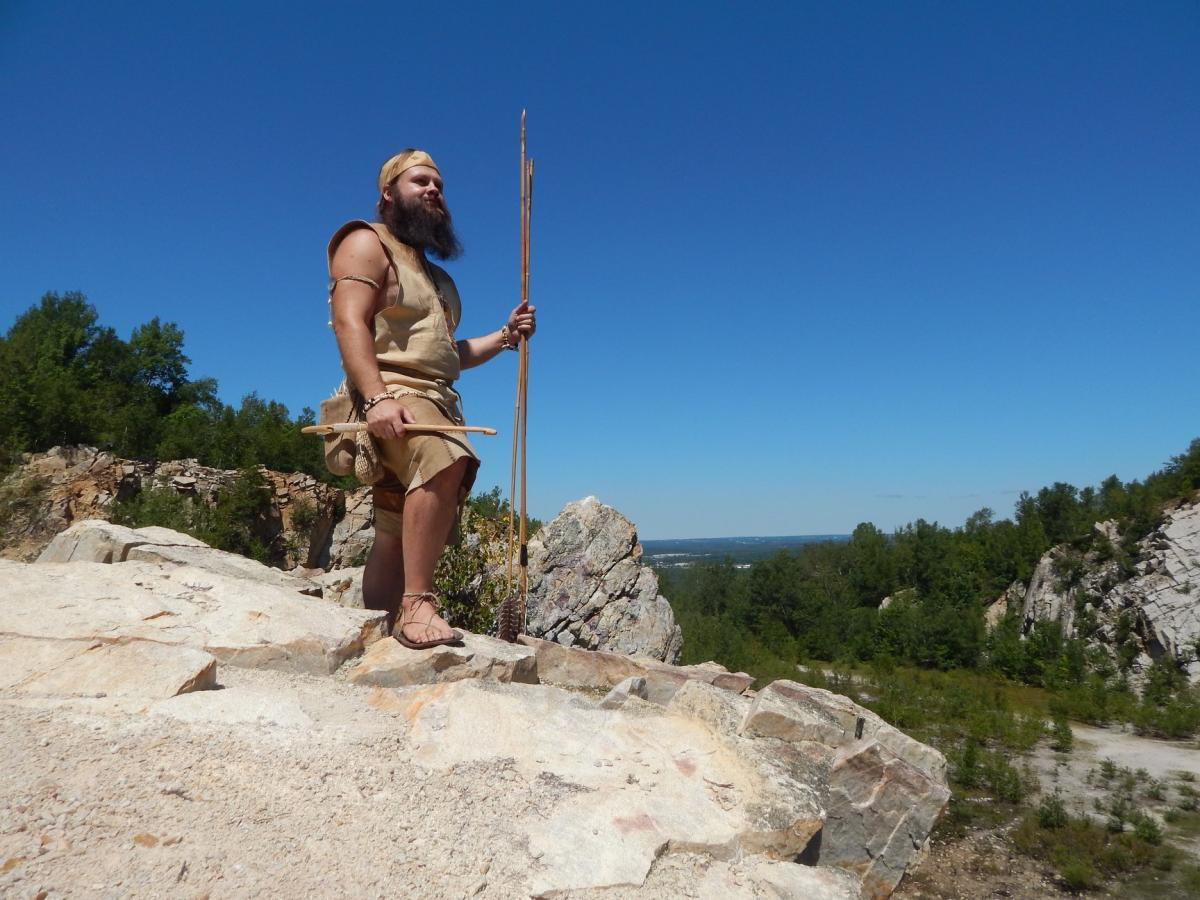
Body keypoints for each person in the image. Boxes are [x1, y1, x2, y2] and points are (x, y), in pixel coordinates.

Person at [326, 149, 535, 649]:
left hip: (435, 398)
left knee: (395, 528)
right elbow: (348, 320)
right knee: (446, 460)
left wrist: (505, 336)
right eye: (420, 181)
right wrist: (376, 399)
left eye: (438, 184)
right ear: (388, 194)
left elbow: (447, 355)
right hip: (389, 393)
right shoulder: (364, 242)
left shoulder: (438, 280)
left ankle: (374, 634)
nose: (433, 190)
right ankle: (418, 605)